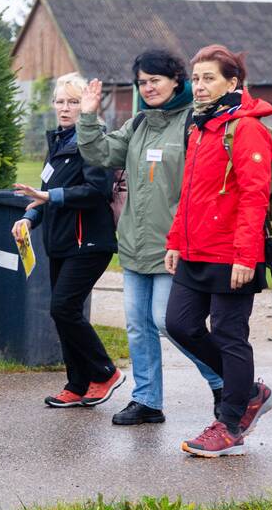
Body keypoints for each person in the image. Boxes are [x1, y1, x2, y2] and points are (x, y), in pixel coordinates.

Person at [76, 50, 224, 425]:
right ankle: (147, 401)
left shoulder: (193, 122)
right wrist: (89, 115)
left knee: (165, 321)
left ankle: (225, 382)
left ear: (177, 80)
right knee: (138, 325)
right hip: (134, 244)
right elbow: (100, 153)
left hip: (173, 246)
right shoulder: (139, 124)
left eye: (155, 80)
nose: (148, 87)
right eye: (142, 81)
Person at [165, 45, 272, 457]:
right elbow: (190, 193)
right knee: (179, 325)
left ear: (232, 83)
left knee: (230, 334)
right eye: (196, 78)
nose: (198, 86)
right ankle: (248, 391)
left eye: (208, 78)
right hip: (196, 249)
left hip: (233, 253)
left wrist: (246, 255)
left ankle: (230, 423)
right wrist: (175, 240)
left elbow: (254, 196)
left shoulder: (246, 129)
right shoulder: (199, 126)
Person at [12, 72, 124, 409]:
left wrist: (52, 197)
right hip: (60, 243)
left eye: (73, 102)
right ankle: (77, 384)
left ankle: (104, 372)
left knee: (64, 307)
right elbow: (44, 195)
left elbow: (96, 191)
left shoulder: (92, 143)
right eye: (60, 101)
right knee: (64, 312)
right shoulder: (59, 143)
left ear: (86, 105)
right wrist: (28, 218)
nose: (65, 108)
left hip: (89, 242)